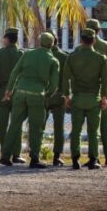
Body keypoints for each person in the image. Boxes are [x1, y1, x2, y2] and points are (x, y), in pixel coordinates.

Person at [0, 33, 60, 168]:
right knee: (36, 128)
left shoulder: (27, 54)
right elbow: (54, 85)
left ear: (39, 42)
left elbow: (15, 72)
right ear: (52, 44)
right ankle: (35, 159)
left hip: (20, 93)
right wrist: (47, 94)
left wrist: (9, 90)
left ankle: (5, 156)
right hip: (37, 95)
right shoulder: (53, 61)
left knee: (14, 124)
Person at [63, 28, 107, 170]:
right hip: (93, 100)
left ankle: (75, 159)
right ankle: (93, 159)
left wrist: (66, 96)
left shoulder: (72, 57)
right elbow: (105, 80)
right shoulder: (101, 58)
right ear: (94, 40)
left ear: (81, 40)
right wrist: (104, 97)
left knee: (76, 131)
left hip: (77, 99)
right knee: (93, 131)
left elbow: (65, 78)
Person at [85, 19, 107, 166]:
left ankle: (94, 157)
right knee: (106, 125)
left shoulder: (82, 48)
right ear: (99, 30)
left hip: (88, 91)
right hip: (105, 91)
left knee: (92, 126)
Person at [0, 27, 24, 163]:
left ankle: (6, 152)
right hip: (18, 91)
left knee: (2, 124)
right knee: (17, 123)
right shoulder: (22, 54)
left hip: (3, 90)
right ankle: (16, 154)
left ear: (7, 39)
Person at [45, 31, 68, 166]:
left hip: (44, 95)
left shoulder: (41, 55)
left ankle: (34, 155)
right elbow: (67, 79)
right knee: (59, 127)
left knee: (39, 125)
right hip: (59, 95)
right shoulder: (64, 56)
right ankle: (57, 156)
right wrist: (67, 94)